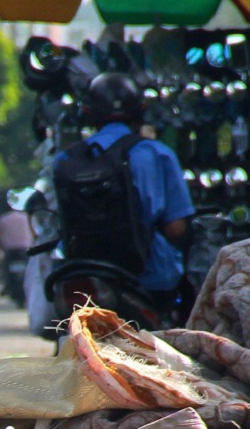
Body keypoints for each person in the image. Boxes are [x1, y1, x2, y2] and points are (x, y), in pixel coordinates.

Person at [53, 71, 193, 318]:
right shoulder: (157, 153)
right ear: (140, 110)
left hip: (81, 272)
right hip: (151, 275)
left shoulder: (66, 158)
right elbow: (176, 228)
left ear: (88, 113)